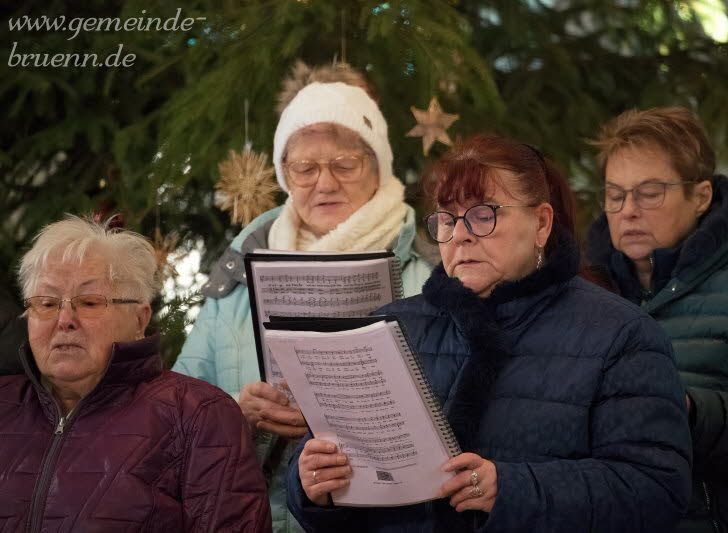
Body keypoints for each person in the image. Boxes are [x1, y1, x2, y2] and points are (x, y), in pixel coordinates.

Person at [286, 134, 692, 532]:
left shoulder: (621, 334)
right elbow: (331, 487)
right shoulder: (388, 328)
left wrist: (511, 490)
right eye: (447, 219)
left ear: (541, 223)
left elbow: (656, 490)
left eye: (484, 215)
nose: (460, 234)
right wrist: (312, 485)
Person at [172, 62, 433, 533]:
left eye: (345, 165)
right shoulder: (238, 274)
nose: (325, 183)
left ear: (378, 165)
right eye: (305, 168)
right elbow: (176, 411)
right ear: (285, 175)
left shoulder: (431, 272)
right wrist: (238, 413)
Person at [586, 106, 728, 532]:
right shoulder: (584, 299)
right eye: (615, 195)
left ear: (700, 197)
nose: (628, 211)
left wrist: (691, 412)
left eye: (649, 193)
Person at [0, 215, 271, 531]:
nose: (64, 320)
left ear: (139, 319)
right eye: (47, 303)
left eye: (89, 302)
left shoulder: (199, 415)